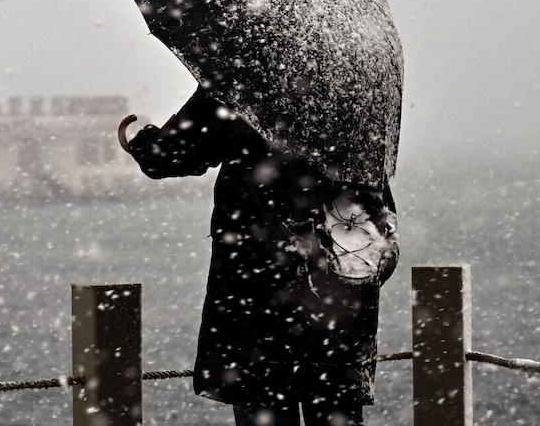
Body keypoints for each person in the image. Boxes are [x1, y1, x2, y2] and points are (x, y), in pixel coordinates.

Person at [126, 87, 397, 426]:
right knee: (334, 405)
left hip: (258, 295)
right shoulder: (356, 93)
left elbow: (169, 156)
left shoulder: (245, 82)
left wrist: (142, 140)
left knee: (263, 399)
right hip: (338, 300)